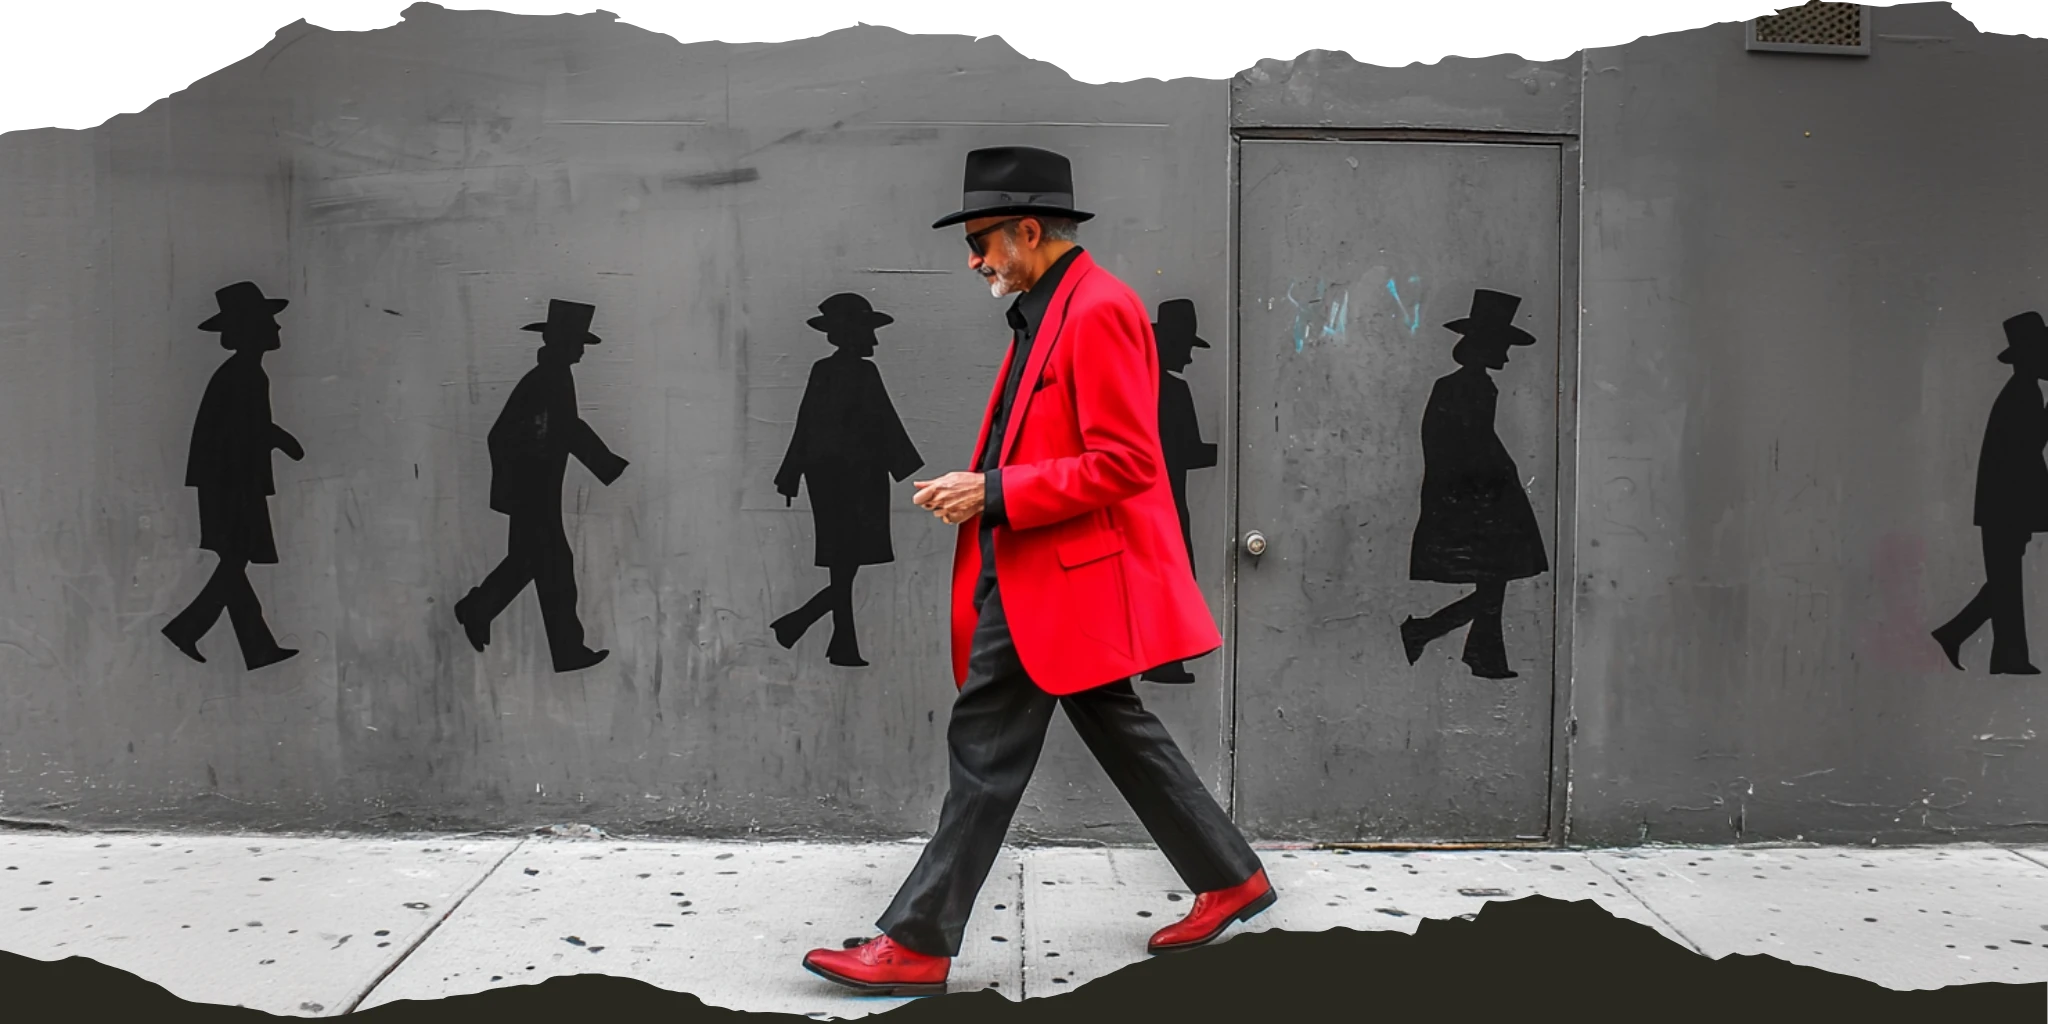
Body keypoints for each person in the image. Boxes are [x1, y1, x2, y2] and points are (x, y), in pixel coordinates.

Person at [801, 146, 1274, 998]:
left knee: (985, 744)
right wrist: (981, 488)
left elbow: (1128, 462)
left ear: (1028, 229)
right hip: (1036, 565)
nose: (974, 259)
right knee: (1115, 724)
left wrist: (994, 492)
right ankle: (1229, 874)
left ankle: (917, 941)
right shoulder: (1048, 309)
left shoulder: (1097, 310)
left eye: (981, 240)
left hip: (1054, 577)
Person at [453, 299, 626, 673]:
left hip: (533, 490)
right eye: (578, 342)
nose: (581, 350)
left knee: (534, 564)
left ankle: (479, 609)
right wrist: (607, 465)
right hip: (534, 491)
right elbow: (560, 430)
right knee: (553, 566)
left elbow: (561, 430)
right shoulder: (550, 379)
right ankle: (561, 648)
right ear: (562, 341)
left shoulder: (550, 376)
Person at [1399, 289, 1549, 680]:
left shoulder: (1459, 385)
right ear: (1483, 344)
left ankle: (1476, 652)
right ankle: (1446, 639)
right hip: (1477, 500)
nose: (1506, 353)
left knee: (1494, 582)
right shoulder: (1472, 387)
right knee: (1494, 581)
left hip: (1472, 497)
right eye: (1501, 344)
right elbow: (1472, 445)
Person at [771, 293, 925, 667]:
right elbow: (882, 422)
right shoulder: (859, 373)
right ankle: (809, 627)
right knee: (846, 561)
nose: (872, 340)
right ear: (851, 334)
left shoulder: (825, 371)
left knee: (845, 562)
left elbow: (805, 426)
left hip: (829, 479)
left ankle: (829, 636)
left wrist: (791, 474)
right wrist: (905, 466)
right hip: (856, 481)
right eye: (867, 331)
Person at [162, 282, 305, 670]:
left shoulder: (243, 372)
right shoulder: (244, 374)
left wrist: (274, 436)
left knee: (234, 563)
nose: (277, 330)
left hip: (228, 483)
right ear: (251, 328)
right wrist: (278, 438)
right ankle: (187, 629)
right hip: (232, 486)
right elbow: (241, 432)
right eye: (269, 323)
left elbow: (241, 428)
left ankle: (258, 647)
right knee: (234, 562)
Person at [1932, 311, 2048, 674]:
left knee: (2003, 579)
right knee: (2004, 580)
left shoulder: (2022, 392)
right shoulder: (2023, 395)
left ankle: (1996, 650)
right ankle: (1988, 647)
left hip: (2006, 504)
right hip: (2008, 505)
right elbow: (2028, 448)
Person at [1141, 299, 1219, 684]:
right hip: (1168, 503)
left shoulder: (1136, 387)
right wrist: (1235, 451)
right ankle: (1164, 660)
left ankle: (1162, 658)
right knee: (1171, 580)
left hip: (1144, 506)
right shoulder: (1172, 391)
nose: (1188, 357)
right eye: (1186, 346)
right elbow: (1186, 451)